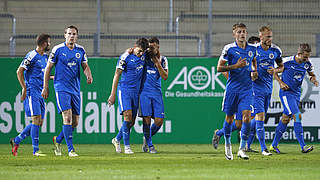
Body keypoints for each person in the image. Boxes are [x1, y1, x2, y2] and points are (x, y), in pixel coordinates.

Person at [42, 25, 93, 157]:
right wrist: (45, 86)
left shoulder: (80, 50)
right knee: (67, 117)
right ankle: (71, 149)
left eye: (74, 34)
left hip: (75, 88)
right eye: (69, 33)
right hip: (61, 87)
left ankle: (58, 140)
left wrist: (88, 74)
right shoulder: (57, 49)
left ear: (77, 36)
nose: (72, 36)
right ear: (65, 35)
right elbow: (48, 68)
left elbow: (85, 65)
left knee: (75, 122)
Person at [217, 23, 258, 160]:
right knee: (229, 119)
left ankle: (241, 149)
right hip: (233, 89)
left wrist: (254, 72)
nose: (242, 34)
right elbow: (219, 68)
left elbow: (253, 62)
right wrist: (236, 66)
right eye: (239, 32)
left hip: (247, 89)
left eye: (244, 32)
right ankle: (227, 144)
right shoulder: (229, 49)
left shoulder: (252, 49)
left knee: (247, 117)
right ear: (234, 34)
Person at [270, 43, 318, 153]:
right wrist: (280, 83)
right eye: (305, 57)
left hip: (296, 94)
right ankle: (303, 146)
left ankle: (273, 145)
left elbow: (311, 74)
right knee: (297, 115)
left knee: (285, 119)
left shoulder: (307, 64)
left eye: (308, 56)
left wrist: (313, 79)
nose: (307, 59)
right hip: (286, 94)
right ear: (299, 54)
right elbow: (274, 71)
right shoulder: (287, 61)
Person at [10, 33, 51, 156]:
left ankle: (16, 140)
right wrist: (24, 87)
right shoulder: (32, 55)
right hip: (32, 91)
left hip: (41, 92)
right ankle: (35, 150)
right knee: (35, 119)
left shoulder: (45, 57)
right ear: (44, 43)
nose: (49, 44)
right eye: (48, 42)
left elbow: (43, 75)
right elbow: (19, 71)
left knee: (39, 122)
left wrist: (53, 78)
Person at [246, 26, 284, 156]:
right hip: (255, 88)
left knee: (257, 119)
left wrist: (275, 71)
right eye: (267, 37)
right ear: (260, 36)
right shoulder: (253, 50)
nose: (270, 39)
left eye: (271, 36)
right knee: (260, 116)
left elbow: (281, 66)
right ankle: (264, 148)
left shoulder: (276, 50)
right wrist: (252, 73)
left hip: (268, 89)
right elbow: (247, 66)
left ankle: (222, 132)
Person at [108, 38, 149, 154]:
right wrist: (112, 94)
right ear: (135, 46)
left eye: (143, 52)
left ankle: (116, 139)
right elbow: (117, 74)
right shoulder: (125, 57)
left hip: (136, 92)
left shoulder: (144, 56)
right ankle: (127, 147)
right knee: (127, 115)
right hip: (124, 90)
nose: (141, 54)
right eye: (139, 51)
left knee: (131, 122)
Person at [140, 37, 168, 154]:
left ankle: (147, 137)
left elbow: (165, 76)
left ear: (158, 47)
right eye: (149, 47)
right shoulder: (144, 57)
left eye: (153, 47)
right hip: (144, 93)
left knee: (159, 120)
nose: (150, 49)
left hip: (157, 93)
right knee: (146, 120)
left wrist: (157, 63)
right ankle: (150, 145)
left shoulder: (163, 60)